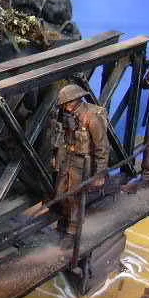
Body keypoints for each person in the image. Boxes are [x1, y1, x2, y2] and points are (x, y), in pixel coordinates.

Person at [52, 84, 109, 235]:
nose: (65, 107)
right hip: (68, 159)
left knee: (75, 196)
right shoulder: (67, 115)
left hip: (82, 163)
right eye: (64, 104)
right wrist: (57, 160)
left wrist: (100, 174)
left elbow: (102, 147)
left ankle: (73, 230)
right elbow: (63, 140)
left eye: (67, 103)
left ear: (76, 100)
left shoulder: (91, 117)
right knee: (60, 193)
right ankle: (64, 220)